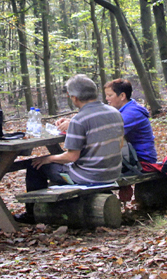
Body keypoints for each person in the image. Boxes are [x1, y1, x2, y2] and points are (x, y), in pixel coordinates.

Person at [16, 74, 124, 224]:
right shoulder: (115, 112)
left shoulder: (79, 120)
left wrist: (47, 158)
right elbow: (120, 144)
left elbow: (71, 157)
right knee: (54, 163)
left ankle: (32, 213)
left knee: (35, 165)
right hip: (113, 172)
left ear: (74, 98)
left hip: (89, 177)